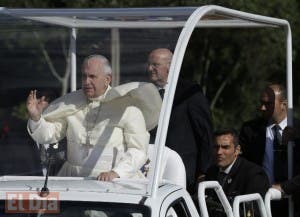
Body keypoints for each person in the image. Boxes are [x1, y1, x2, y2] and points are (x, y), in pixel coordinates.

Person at [27, 54, 161, 181]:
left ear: (107, 79)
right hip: (73, 178)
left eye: (92, 76)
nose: (86, 81)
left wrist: (116, 173)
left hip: (114, 181)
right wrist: (36, 118)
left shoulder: (128, 107)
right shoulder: (71, 103)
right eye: (84, 76)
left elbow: (138, 150)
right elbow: (51, 135)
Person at [147, 48, 213, 194]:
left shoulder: (189, 92)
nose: (149, 68)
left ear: (170, 67)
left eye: (155, 65)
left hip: (182, 170)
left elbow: (205, 133)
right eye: (149, 64)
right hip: (149, 169)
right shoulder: (144, 91)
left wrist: (204, 171)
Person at [239, 83, 300, 216]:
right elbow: (243, 165)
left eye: (268, 104)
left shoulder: (298, 129)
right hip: (260, 202)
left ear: (284, 104)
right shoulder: (250, 130)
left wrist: (284, 188)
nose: (262, 108)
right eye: (261, 102)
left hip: (294, 203)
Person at [204, 128, 270, 216]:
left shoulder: (253, 175)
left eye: (225, 147)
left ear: (237, 150)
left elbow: (252, 212)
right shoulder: (211, 172)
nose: (219, 152)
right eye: (216, 147)